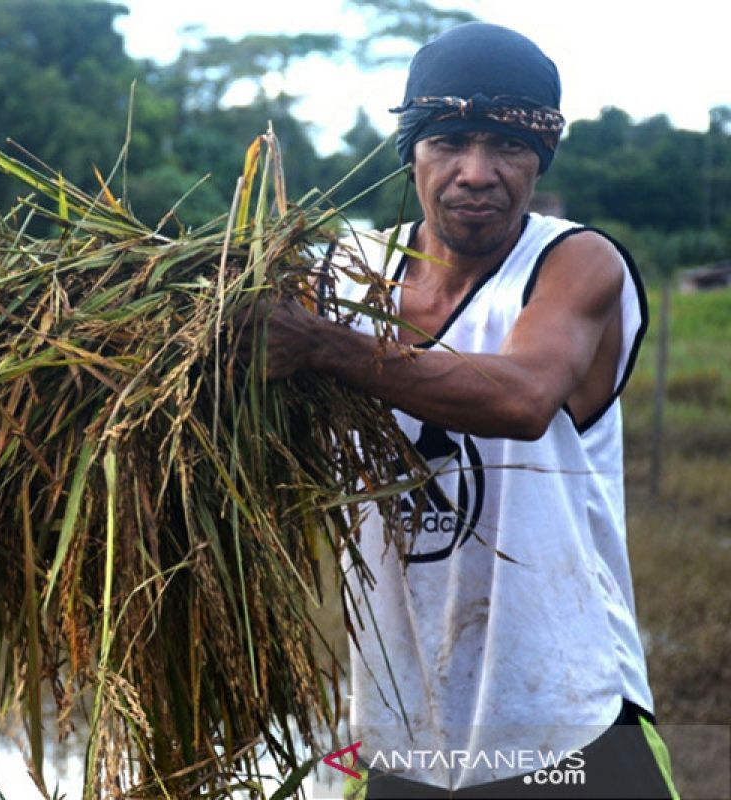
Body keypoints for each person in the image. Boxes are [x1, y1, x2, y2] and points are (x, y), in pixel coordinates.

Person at [247, 22, 678, 799]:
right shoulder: (347, 276)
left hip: (568, 723)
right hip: (401, 734)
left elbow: (520, 398)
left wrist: (324, 347)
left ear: (540, 158)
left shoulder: (572, 262)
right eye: (450, 141)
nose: (476, 173)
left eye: (507, 147)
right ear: (412, 151)